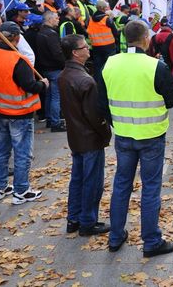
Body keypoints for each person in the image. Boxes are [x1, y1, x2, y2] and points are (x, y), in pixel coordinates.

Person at [102, 20, 173, 257]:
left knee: (121, 184)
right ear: (146, 38)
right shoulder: (155, 65)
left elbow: (102, 99)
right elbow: (172, 99)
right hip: (151, 135)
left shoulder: (110, 63)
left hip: (124, 133)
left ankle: (115, 236)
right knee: (150, 187)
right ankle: (151, 241)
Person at [0, 22, 48, 204]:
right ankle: (21, 190)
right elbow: (29, 85)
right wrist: (43, 84)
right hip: (19, 113)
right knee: (22, 153)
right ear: (17, 38)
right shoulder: (18, 59)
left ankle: (0, 188)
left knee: (1, 151)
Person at [58, 34, 112, 236]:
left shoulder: (65, 75)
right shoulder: (84, 80)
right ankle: (88, 221)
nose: (88, 48)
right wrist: (105, 132)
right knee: (92, 181)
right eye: (84, 46)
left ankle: (74, 218)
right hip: (89, 139)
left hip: (76, 137)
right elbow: (94, 114)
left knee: (78, 179)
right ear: (75, 52)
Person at [36, 11, 67, 132]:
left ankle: (50, 119)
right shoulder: (51, 34)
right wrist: (65, 64)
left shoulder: (41, 33)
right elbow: (57, 53)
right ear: (49, 19)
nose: (58, 19)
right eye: (55, 18)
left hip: (46, 68)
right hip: (54, 68)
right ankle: (55, 122)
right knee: (56, 96)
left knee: (49, 95)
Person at [87, 0, 118, 83]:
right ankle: (110, 83)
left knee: (98, 68)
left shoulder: (91, 19)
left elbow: (88, 32)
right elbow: (115, 33)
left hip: (96, 47)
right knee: (110, 67)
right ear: (104, 8)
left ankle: (98, 85)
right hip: (109, 47)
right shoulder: (107, 19)